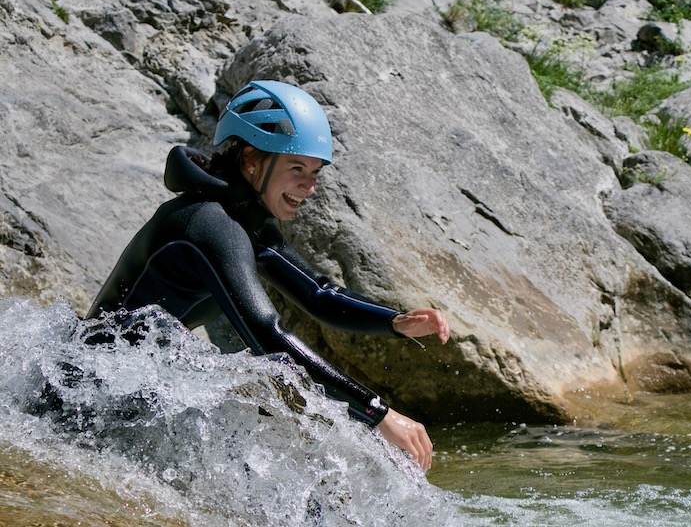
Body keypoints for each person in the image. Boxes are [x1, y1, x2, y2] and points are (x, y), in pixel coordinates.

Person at [88, 80, 450, 470]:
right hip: (89, 395)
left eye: (315, 172)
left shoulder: (242, 217)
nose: (309, 187)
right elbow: (268, 337)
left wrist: (394, 322)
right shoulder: (210, 223)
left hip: (125, 388)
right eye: (297, 168)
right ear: (250, 160)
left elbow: (318, 294)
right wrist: (378, 413)